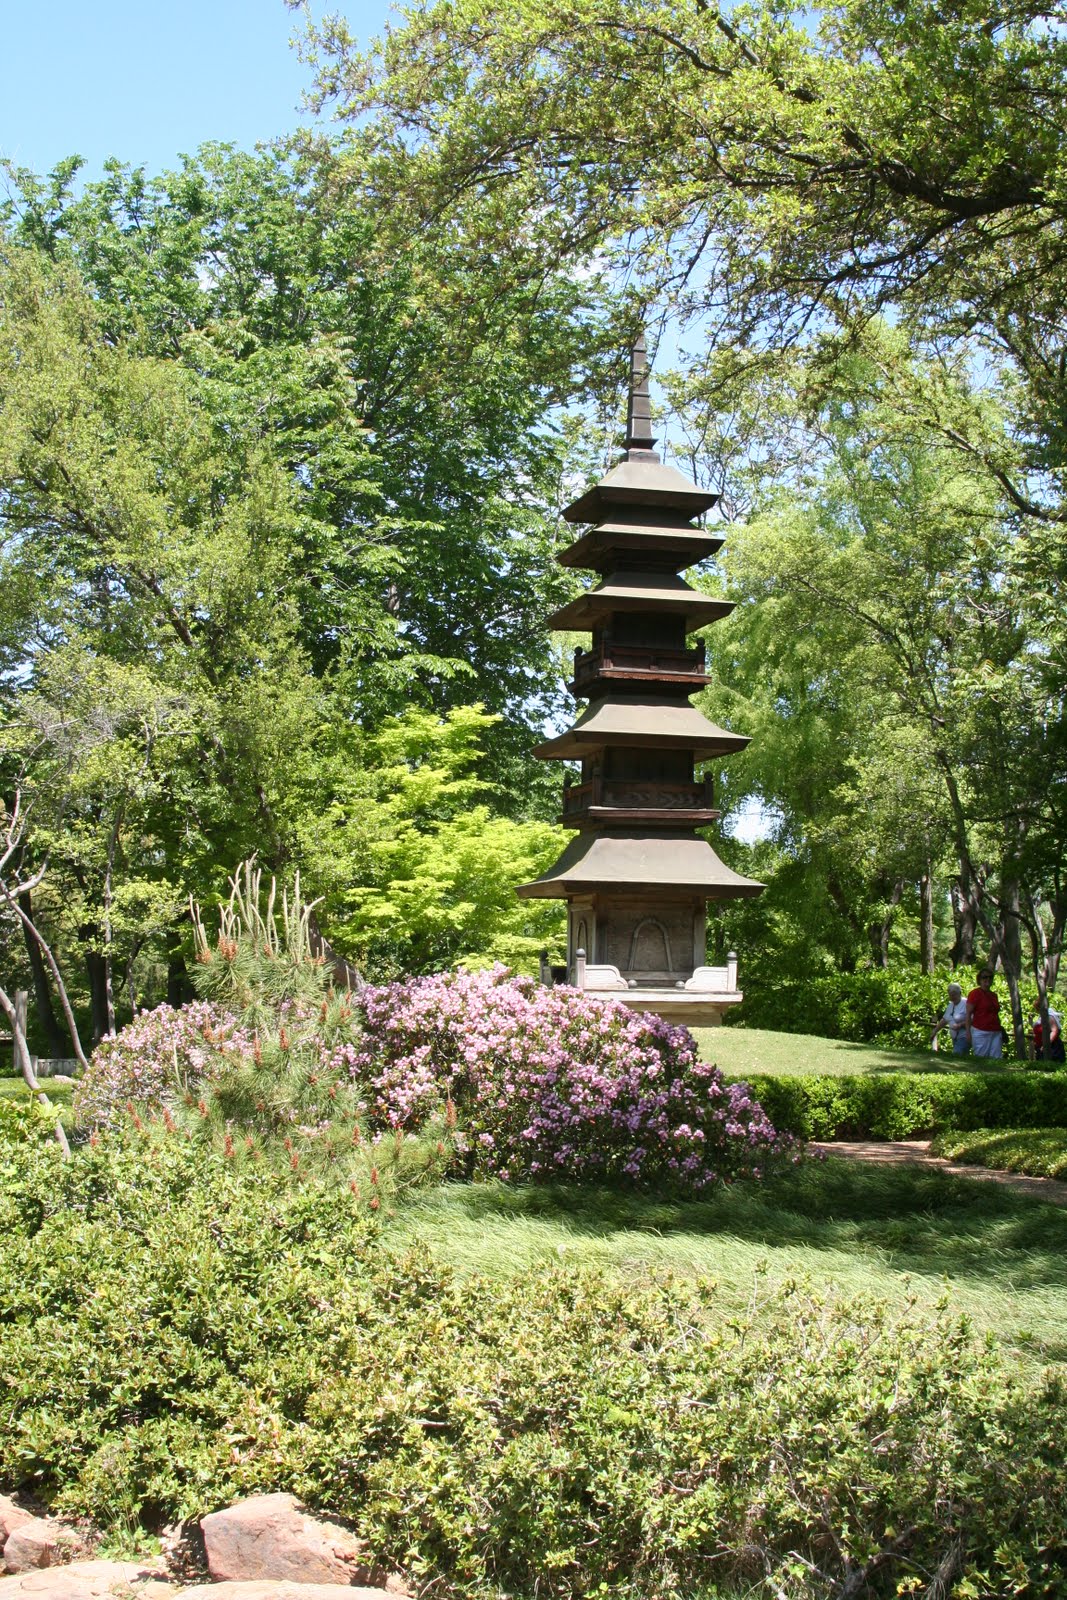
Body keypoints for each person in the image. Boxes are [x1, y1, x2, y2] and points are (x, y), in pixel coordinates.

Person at [966, 969, 1002, 1059]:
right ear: (979, 979)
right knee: (981, 1058)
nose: (988, 979)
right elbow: (968, 1014)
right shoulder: (974, 994)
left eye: (990, 977)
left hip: (995, 1031)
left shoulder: (994, 995)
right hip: (980, 1031)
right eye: (985, 977)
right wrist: (968, 1032)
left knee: (997, 1059)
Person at [932, 981, 969, 1055]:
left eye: (954, 994)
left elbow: (973, 1019)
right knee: (962, 1058)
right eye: (950, 995)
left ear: (960, 993)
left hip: (964, 1036)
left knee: (957, 1054)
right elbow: (945, 1020)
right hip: (955, 1037)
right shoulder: (950, 1006)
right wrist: (935, 1031)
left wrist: (960, 1025)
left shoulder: (966, 1003)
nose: (952, 997)